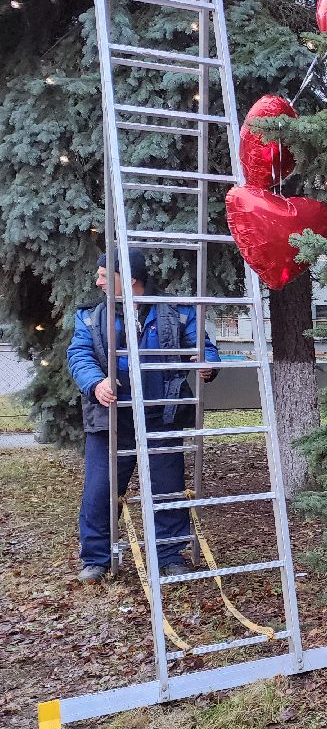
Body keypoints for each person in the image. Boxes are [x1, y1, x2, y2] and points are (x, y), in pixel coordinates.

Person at [66, 249, 220, 584]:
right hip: (111, 419)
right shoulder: (92, 317)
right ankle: (96, 559)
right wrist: (96, 383)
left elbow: (202, 346)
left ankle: (169, 556)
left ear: (130, 278)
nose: (98, 280)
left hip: (161, 415)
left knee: (167, 489)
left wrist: (206, 363)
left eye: (105, 274)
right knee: (100, 490)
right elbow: (79, 354)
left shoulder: (177, 314)